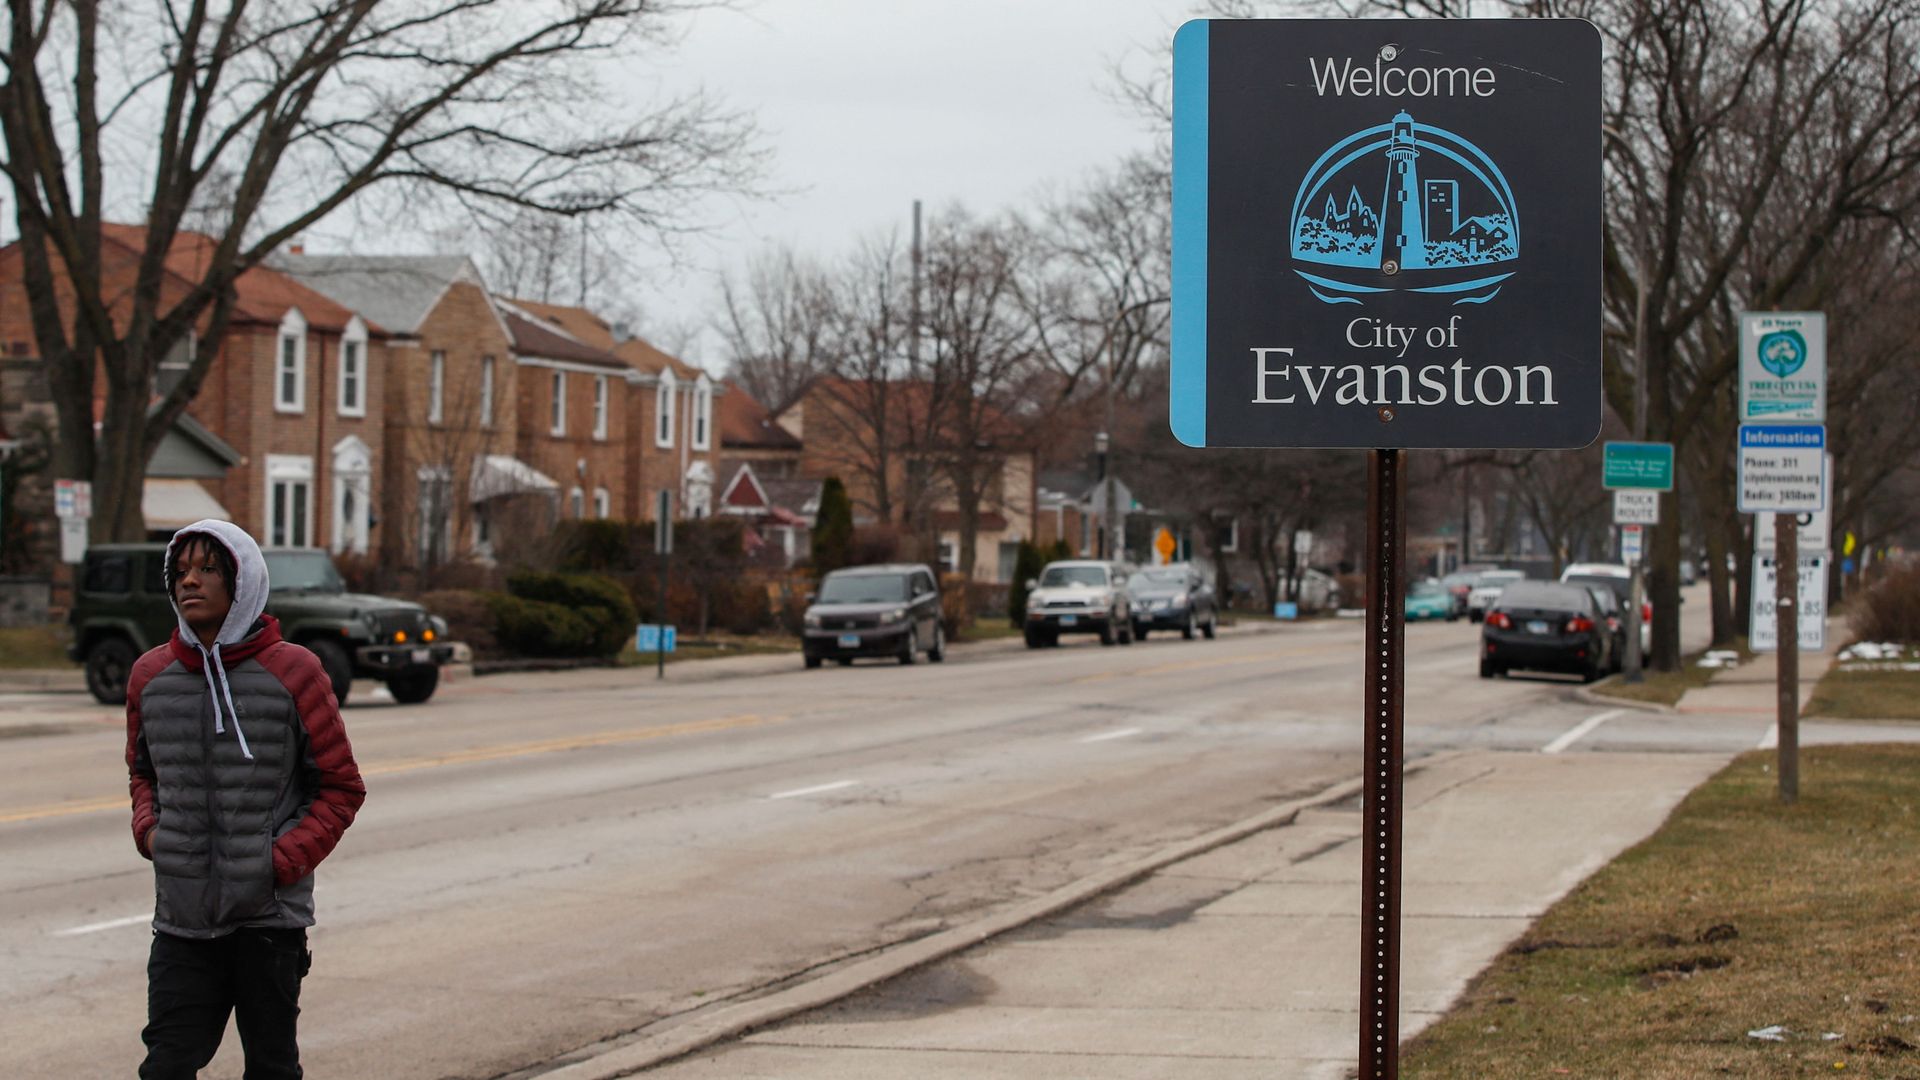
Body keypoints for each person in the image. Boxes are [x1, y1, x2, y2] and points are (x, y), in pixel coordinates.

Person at [125, 520, 366, 1078]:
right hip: (182, 921)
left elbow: (340, 786)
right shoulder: (149, 677)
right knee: (165, 1066)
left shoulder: (295, 670)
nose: (191, 581)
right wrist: (151, 833)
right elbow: (143, 774)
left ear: (243, 581)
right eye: (181, 571)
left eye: (209, 569)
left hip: (268, 920)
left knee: (272, 1067)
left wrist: (279, 862)